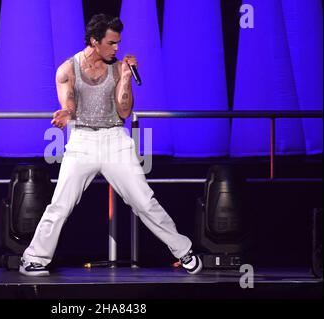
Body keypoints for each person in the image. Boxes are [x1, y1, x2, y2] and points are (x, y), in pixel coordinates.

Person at [19, 14, 202, 276]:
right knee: (60, 204)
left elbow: (125, 112)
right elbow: (69, 105)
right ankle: (33, 258)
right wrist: (66, 114)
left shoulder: (117, 68)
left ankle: (184, 251)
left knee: (144, 201)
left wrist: (126, 78)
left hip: (115, 138)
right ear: (95, 41)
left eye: (118, 43)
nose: (117, 48)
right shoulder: (67, 70)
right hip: (82, 140)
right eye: (111, 43)